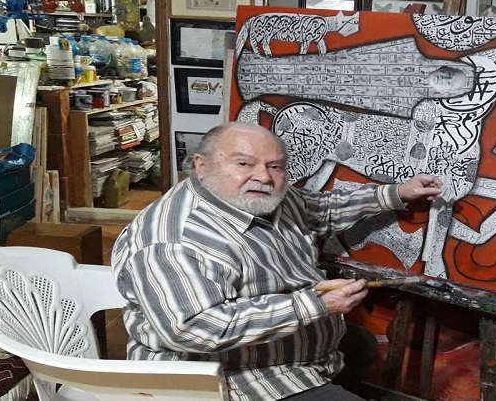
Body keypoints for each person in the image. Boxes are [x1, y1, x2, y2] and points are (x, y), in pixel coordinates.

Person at [111, 121, 443, 401]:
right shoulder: (174, 239)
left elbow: (321, 210)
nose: (264, 177)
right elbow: (194, 328)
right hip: (229, 377)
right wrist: (315, 304)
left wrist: (396, 193)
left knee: (360, 344)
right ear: (202, 165)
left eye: (275, 166)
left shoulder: (264, 197)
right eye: (243, 164)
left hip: (290, 352)